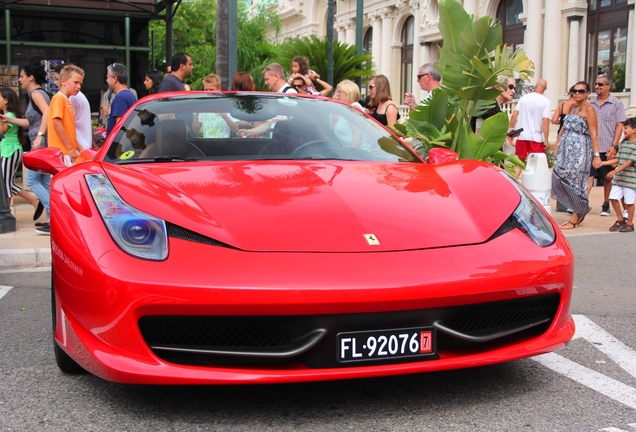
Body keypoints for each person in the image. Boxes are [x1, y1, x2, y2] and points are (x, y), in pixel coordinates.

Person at [0, 64, 51, 230]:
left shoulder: (36, 94)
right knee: (43, 182)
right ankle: (52, 220)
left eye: (21, 76)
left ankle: (54, 211)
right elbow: (31, 122)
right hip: (41, 142)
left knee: (31, 180)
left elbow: (47, 113)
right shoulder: (37, 94)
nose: (19, 79)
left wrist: (40, 136)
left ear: (31, 77)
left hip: (41, 143)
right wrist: (10, 120)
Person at [551, 81, 602, 230]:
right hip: (565, 149)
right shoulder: (572, 108)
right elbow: (562, 129)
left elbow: (594, 134)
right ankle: (581, 207)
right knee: (559, 176)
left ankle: (575, 216)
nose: (577, 93)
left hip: (580, 150)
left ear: (587, 93)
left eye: (581, 91)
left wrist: (597, 155)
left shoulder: (589, 109)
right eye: (574, 90)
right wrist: (557, 148)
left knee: (576, 181)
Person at [0, 88, 41, 229]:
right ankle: (34, 201)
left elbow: (2, 130)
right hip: (7, 150)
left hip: (10, 151)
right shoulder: (7, 114)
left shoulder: (9, 114)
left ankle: (6, 213)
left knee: (5, 183)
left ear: (6, 100)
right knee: (8, 182)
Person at [589, 74, 626, 216]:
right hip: (592, 147)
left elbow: (619, 124)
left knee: (607, 178)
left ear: (608, 86)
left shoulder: (616, 103)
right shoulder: (591, 103)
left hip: (607, 145)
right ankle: (583, 203)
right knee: (589, 176)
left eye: (600, 84)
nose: (597, 86)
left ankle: (606, 203)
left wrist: (615, 145)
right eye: (596, 84)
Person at [508, 78, 551, 179]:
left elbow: (514, 114)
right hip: (536, 137)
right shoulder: (546, 102)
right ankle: (534, 187)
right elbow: (545, 121)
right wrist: (546, 140)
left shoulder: (524, 98)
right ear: (545, 88)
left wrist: (511, 129)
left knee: (519, 163)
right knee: (537, 165)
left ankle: (512, 182)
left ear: (536, 86)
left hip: (522, 136)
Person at [47, 64, 85, 164]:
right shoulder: (59, 98)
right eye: (75, 82)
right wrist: (71, 149)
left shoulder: (65, 100)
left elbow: (69, 132)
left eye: (80, 84)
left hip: (66, 153)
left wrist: (80, 149)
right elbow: (57, 124)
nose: (78, 86)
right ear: (63, 81)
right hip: (62, 153)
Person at [605, 117, 636, 232]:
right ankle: (620, 219)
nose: (624, 130)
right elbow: (618, 159)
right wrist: (602, 163)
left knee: (629, 202)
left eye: (626, 128)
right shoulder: (623, 144)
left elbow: (629, 162)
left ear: (634, 130)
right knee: (613, 198)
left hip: (630, 180)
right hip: (619, 179)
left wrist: (615, 171)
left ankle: (630, 223)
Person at [54, 63, 92, 153]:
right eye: (75, 82)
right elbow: (59, 125)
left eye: (80, 83)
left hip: (74, 148)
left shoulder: (71, 97)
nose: (56, 82)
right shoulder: (63, 98)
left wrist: (72, 149)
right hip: (75, 148)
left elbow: (61, 126)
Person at [106, 63, 138, 136]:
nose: (106, 80)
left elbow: (120, 127)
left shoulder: (120, 98)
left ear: (115, 78)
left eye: (108, 77)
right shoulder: (130, 95)